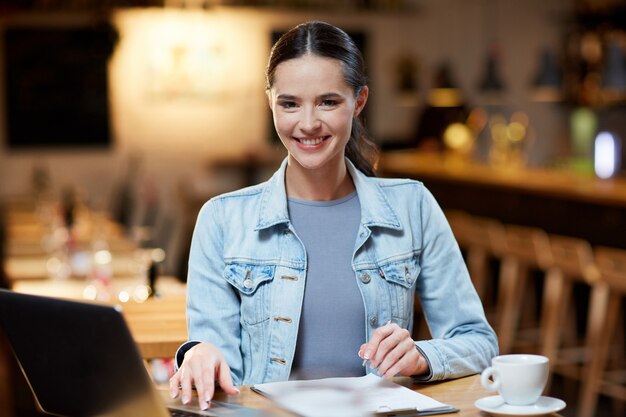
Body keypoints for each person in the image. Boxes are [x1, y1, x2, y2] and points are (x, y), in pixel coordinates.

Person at [169, 21, 498, 411]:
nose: (307, 123)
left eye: (328, 102)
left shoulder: (413, 206)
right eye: (289, 103)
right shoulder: (221, 220)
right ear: (270, 101)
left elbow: (478, 342)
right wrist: (201, 353)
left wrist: (423, 357)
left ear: (359, 102)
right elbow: (216, 355)